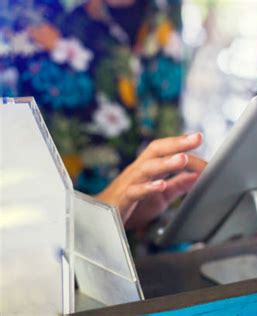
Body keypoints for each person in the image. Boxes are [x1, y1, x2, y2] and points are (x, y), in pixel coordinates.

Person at [1, 0, 203, 230]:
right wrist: (98, 221)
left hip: (160, 240)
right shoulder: (15, 14)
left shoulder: (169, 8)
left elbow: (168, 113)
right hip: (65, 257)